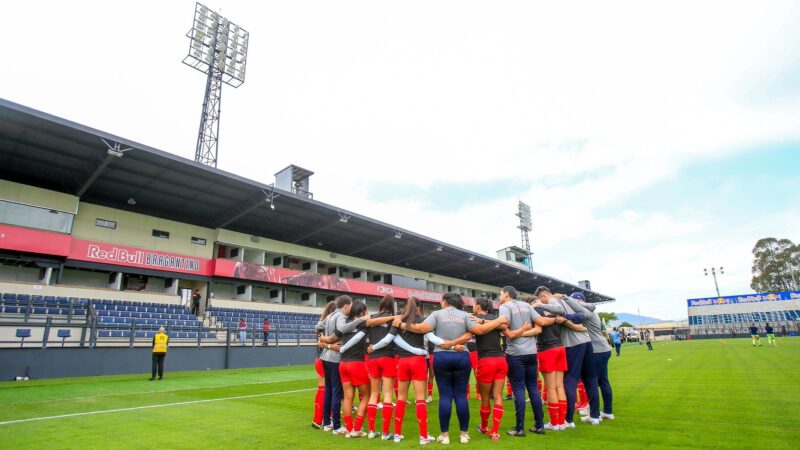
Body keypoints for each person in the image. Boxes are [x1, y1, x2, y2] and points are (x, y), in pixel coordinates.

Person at [402, 292, 508, 445]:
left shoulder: (437, 314)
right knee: (460, 396)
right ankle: (463, 434)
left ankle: (444, 435)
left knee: (445, 396)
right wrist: (498, 319)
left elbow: (421, 328)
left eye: (441, 301)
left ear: (445, 302)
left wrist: (401, 324)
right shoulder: (465, 315)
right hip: (461, 356)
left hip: (442, 356)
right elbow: (480, 331)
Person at [371, 298, 438, 445]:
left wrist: (373, 347)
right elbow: (432, 338)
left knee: (401, 398)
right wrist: (450, 345)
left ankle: (397, 434)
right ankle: (423, 436)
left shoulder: (398, 319)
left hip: (402, 361)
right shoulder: (422, 319)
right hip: (418, 361)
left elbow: (390, 339)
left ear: (402, 307)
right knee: (420, 398)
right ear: (420, 308)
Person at [534, 287, 598, 429]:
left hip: (569, 345)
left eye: (541, 299)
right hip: (582, 342)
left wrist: (538, 305)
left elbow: (557, 313)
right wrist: (575, 324)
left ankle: (564, 420)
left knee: (565, 383)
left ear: (544, 297)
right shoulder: (568, 300)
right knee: (590, 379)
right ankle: (594, 415)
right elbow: (582, 315)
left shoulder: (551, 302)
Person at [497, 286, 550, 437]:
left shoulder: (504, 307)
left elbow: (507, 331)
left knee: (518, 389)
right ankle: (539, 425)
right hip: (531, 352)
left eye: (500, 294)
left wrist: (518, 332)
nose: (499, 296)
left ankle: (519, 428)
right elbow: (540, 322)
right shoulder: (527, 305)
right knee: (533, 388)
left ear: (506, 295)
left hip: (515, 354)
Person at [562, 293, 615, 421]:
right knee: (602, 381)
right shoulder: (592, 311)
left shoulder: (586, 312)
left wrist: (564, 303)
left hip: (596, 350)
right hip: (603, 348)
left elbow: (574, 315)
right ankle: (606, 411)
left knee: (591, 382)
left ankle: (594, 413)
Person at [361, 295, 401, 440]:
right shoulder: (394, 319)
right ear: (392, 305)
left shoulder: (371, 318)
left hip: (372, 359)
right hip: (387, 357)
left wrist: (369, 349)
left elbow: (364, 336)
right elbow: (393, 338)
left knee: (373, 394)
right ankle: (385, 432)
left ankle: (371, 431)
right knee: (388, 394)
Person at [329, 301, 371, 438]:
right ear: (361, 312)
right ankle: (357, 428)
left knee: (347, 397)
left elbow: (333, 336)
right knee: (366, 395)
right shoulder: (362, 324)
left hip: (343, 364)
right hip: (357, 364)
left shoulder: (345, 325)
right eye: (365, 311)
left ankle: (348, 429)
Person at [472, 297, 510, 441]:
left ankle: (484, 427)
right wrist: (495, 322)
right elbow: (504, 325)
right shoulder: (496, 318)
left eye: (474, 305)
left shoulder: (474, 318)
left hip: (486, 361)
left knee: (485, 397)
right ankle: (495, 432)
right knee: (498, 396)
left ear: (478, 306)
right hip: (501, 360)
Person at [317, 295, 355, 434]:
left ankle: (327, 422)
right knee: (337, 392)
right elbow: (342, 329)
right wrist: (359, 321)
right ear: (346, 305)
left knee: (329, 390)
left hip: (325, 357)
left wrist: (324, 339)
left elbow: (317, 326)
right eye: (351, 305)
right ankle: (337, 426)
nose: (351, 308)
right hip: (335, 358)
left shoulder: (331, 314)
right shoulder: (340, 316)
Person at [312, 302, 337, 429]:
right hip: (325, 359)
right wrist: (331, 346)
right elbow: (320, 342)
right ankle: (321, 419)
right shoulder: (329, 325)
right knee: (326, 389)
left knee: (322, 389)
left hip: (319, 359)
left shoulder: (322, 323)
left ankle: (318, 419)